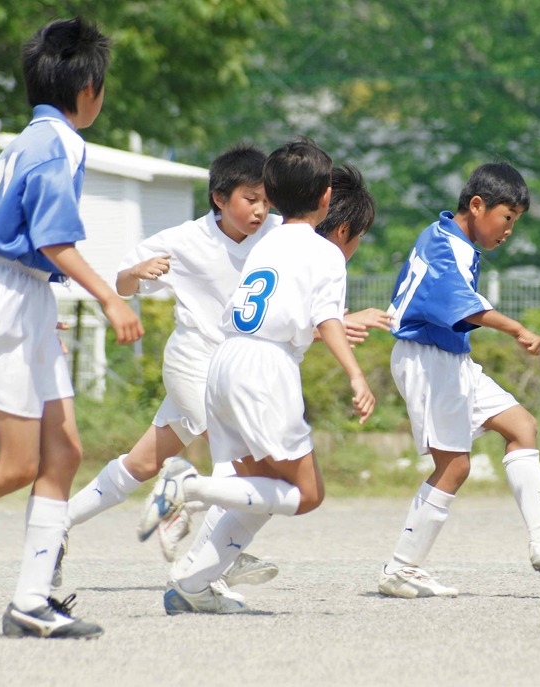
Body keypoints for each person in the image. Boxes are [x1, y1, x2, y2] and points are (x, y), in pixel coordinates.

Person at [0, 18, 143, 638]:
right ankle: (30, 601)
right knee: (16, 464)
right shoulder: (62, 145)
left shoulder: (24, 141)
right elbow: (54, 238)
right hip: (11, 298)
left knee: (63, 453)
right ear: (88, 90)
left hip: (15, 294)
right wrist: (112, 299)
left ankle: (31, 602)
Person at [138, 145, 377, 614]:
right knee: (306, 495)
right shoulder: (325, 252)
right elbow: (327, 317)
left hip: (224, 362)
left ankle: (192, 584)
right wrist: (355, 374)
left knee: (259, 493)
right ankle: (187, 487)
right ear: (327, 199)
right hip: (264, 371)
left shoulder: (266, 240)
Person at [54, 144, 283, 599]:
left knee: (141, 464)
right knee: (237, 455)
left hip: (238, 370)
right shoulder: (184, 239)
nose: (260, 209)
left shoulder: (277, 233)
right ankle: (211, 560)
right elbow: (122, 282)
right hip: (192, 363)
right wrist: (137, 272)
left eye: (266, 199)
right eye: (250, 198)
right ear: (220, 198)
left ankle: (55, 523)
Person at [378, 162, 540, 599]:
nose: (509, 230)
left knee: (521, 426)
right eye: (507, 218)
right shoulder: (446, 245)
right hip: (428, 359)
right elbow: (458, 304)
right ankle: (401, 569)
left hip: (450, 357)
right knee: (455, 467)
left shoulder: (449, 238)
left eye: (515, 221)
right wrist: (515, 327)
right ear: (477, 206)